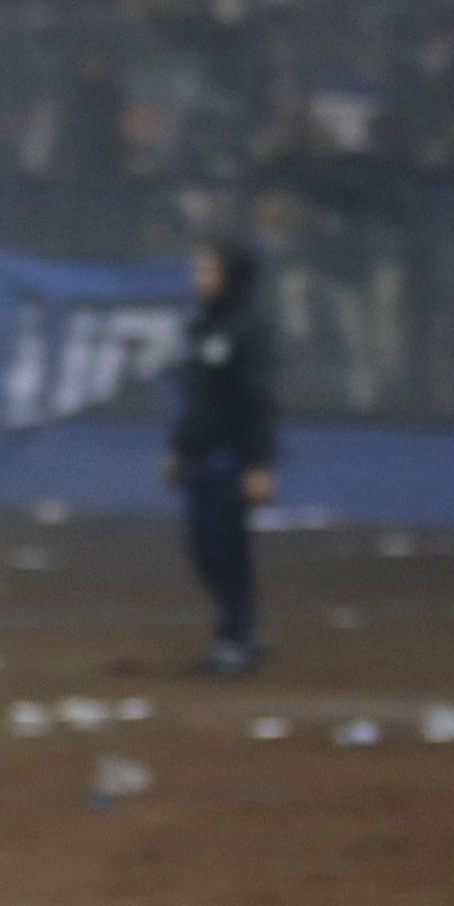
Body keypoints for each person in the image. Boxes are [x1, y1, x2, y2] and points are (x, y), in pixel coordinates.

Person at [165, 242, 276, 677]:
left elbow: (256, 402)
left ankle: (234, 638)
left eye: (208, 271)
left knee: (222, 549)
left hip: (229, 458)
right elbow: (195, 399)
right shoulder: (199, 325)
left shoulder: (246, 329)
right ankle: (242, 630)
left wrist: (257, 464)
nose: (199, 280)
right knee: (205, 549)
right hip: (199, 454)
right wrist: (178, 448)